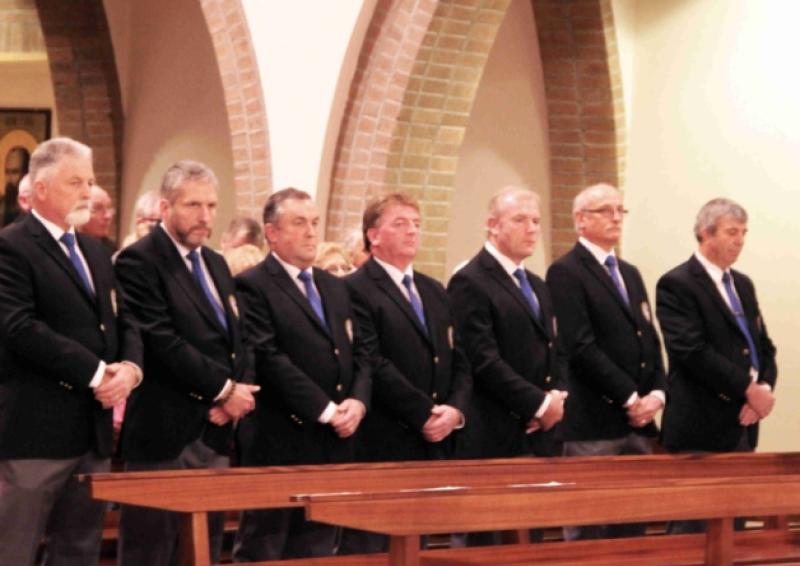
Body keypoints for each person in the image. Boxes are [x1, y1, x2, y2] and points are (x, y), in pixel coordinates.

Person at [0, 137, 143, 566]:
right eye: (75, 182)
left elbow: (125, 319)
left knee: (79, 551)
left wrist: (130, 369)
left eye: (90, 182)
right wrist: (98, 374)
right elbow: (20, 327)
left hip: (90, 434)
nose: (88, 192)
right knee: (13, 550)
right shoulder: (12, 246)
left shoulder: (96, 251)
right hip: (34, 434)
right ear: (41, 188)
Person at [114, 160, 259, 565]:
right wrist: (224, 390)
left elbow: (240, 338)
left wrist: (236, 395)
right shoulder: (139, 261)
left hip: (214, 432)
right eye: (193, 205)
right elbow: (161, 340)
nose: (205, 216)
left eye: (211, 206)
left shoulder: (215, 262)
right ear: (165, 207)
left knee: (202, 551)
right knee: (149, 551)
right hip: (164, 430)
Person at [233, 188, 370, 561]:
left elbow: (360, 351)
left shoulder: (334, 286)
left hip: (332, 441)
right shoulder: (253, 285)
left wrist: (357, 401)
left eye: (314, 223)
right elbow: (268, 357)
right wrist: (326, 410)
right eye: (299, 223)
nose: (311, 232)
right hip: (280, 438)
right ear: (272, 233)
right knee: (265, 546)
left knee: (317, 548)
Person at [339, 193, 471, 554]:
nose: (412, 231)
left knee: (420, 545)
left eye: (416, 224)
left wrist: (455, 410)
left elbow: (459, 358)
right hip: (385, 437)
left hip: (435, 440)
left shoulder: (433, 289)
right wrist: (423, 413)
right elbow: (372, 360)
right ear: (373, 235)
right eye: (400, 223)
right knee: (375, 547)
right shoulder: (354, 288)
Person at [545, 183, 665, 540]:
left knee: (633, 530)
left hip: (638, 425)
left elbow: (649, 339)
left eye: (619, 210)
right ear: (580, 219)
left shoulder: (629, 273)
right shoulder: (566, 271)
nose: (616, 217)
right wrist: (631, 398)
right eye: (605, 211)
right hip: (593, 423)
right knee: (589, 528)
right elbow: (580, 347)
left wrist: (657, 394)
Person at [656, 197, 777, 533]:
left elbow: (763, 346)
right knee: (692, 529)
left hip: (742, 423)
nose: (740, 240)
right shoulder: (678, 283)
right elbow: (691, 350)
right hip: (700, 425)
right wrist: (747, 389)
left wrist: (763, 388)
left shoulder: (743, 284)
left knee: (734, 526)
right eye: (732, 232)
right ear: (705, 233)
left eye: (744, 233)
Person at [448, 186, 565, 459]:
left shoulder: (537, 285)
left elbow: (556, 349)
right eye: (519, 220)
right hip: (497, 431)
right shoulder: (470, 281)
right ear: (493, 225)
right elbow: (483, 360)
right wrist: (539, 404)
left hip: (543, 433)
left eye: (535, 221)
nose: (531, 229)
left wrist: (557, 398)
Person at [79, 184, 116, 251]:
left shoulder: (110, 248)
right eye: (98, 208)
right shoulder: (70, 249)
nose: (108, 216)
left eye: (108, 207)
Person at [2, 145, 30, 225]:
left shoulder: (36, 207)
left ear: (26, 172)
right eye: (7, 172)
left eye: (14, 172)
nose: (9, 178)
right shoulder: (2, 204)